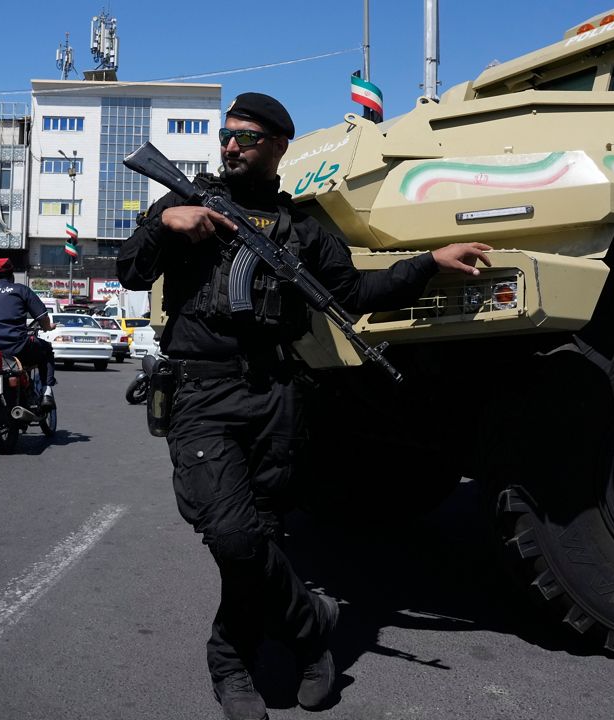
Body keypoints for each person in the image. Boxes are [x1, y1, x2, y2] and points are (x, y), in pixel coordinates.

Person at [117, 92, 492, 720]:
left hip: (276, 395)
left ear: (278, 146)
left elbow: (355, 293)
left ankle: (245, 661)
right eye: (226, 135)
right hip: (202, 393)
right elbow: (128, 271)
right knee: (233, 536)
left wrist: (428, 263)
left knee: (262, 538)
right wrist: (165, 224)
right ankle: (310, 624)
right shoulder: (186, 203)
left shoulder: (304, 231)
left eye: (246, 137)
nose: (230, 146)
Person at [0, 258, 56, 407]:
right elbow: (42, 317)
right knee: (46, 350)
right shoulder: (21, 290)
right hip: (17, 349)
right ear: (12, 275)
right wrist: (48, 327)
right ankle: (47, 392)